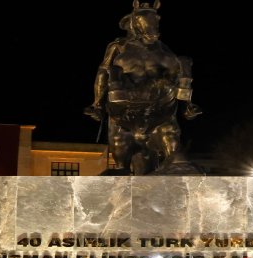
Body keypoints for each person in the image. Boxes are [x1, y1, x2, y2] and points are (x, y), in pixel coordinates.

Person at [84, 0, 201, 175]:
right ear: (134, 23)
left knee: (184, 62)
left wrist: (185, 101)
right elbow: (103, 69)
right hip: (125, 115)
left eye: (154, 21)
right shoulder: (118, 46)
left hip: (159, 115)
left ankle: (188, 106)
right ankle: (96, 104)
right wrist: (100, 100)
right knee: (107, 70)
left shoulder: (164, 51)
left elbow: (176, 76)